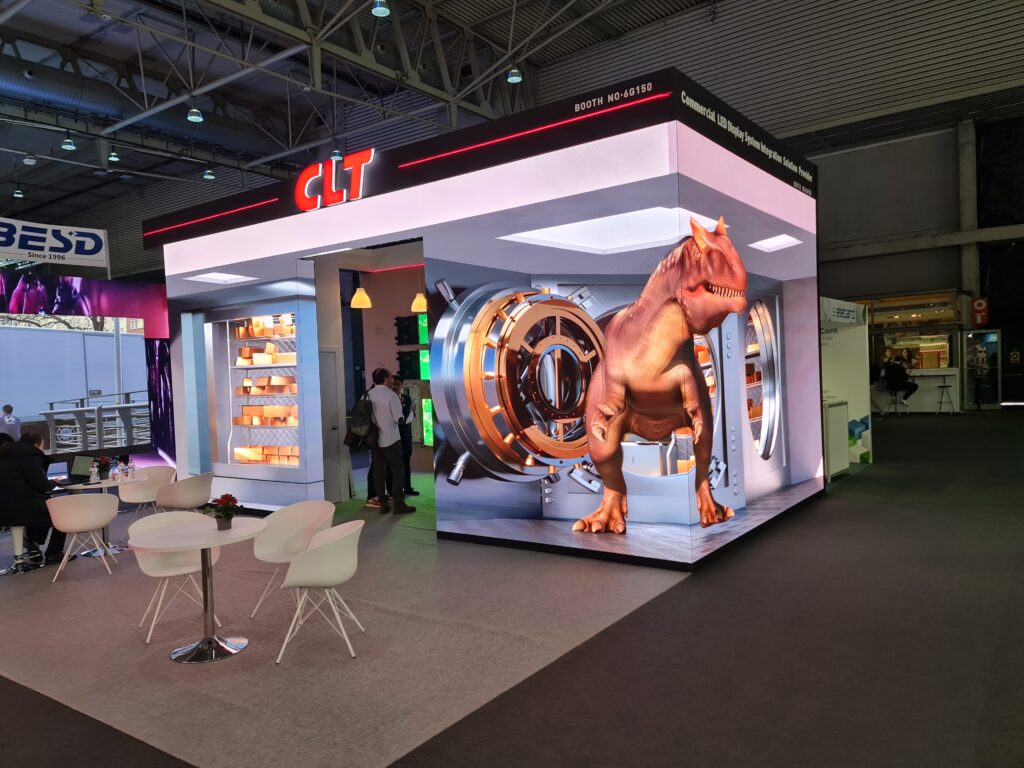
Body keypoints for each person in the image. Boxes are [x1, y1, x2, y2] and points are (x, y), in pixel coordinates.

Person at [0, 433, 71, 566]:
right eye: (42, 446)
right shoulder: (30, 457)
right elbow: (42, 485)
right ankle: (53, 553)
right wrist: (54, 482)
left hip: (4, 507)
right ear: (36, 445)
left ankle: (33, 545)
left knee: (40, 508)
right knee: (61, 514)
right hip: (21, 507)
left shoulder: (5, 455)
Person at [366, 368, 415, 515]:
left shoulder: (368, 394)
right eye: (390, 378)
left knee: (378, 471)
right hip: (390, 438)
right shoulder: (391, 396)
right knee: (397, 469)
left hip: (374, 438)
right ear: (386, 379)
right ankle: (399, 504)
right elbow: (398, 418)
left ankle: (383, 504)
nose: (393, 381)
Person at [391, 376, 418, 497]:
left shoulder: (406, 398)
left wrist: (413, 412)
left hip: (406, 435)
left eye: (397, 384)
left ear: (402, 385)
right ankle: (394, 490)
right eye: (393, 384)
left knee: (406, 462)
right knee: (394, 464)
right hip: (393, 436)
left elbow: (409, 415)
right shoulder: (389, 399)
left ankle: (407, 487)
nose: (394, 387)